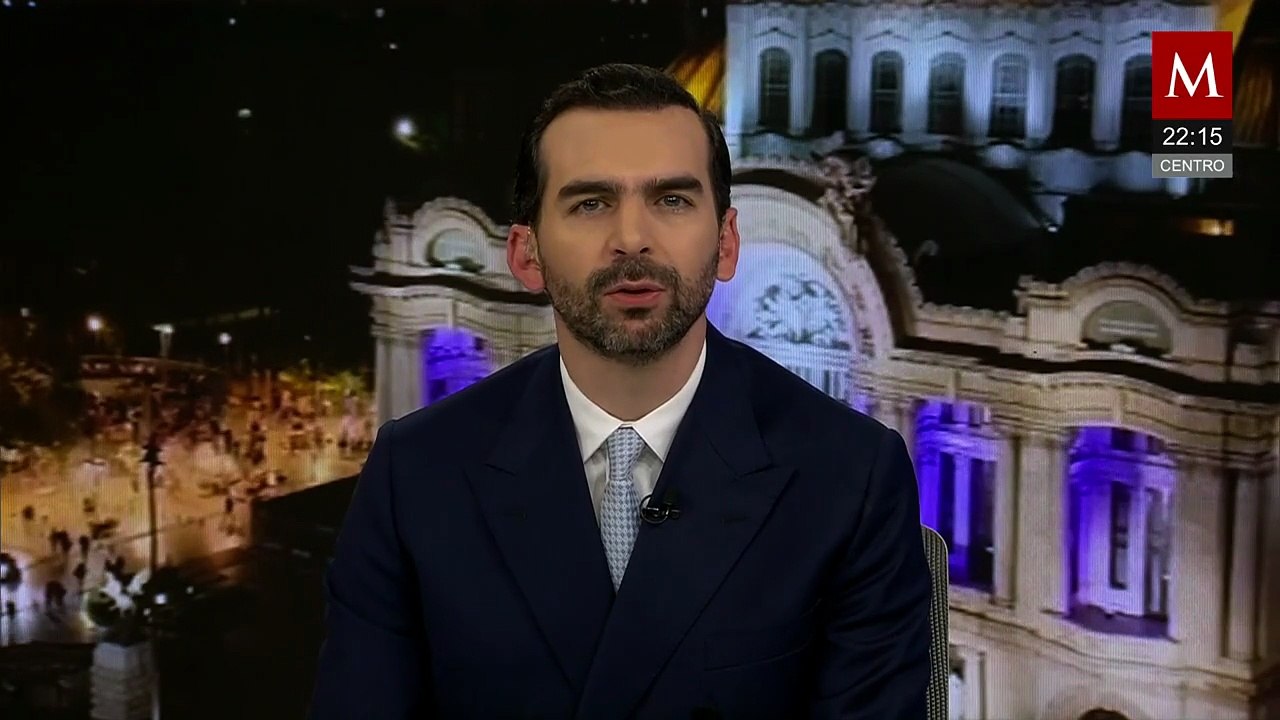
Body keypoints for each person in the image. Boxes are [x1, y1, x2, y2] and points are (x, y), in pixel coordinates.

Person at [310, 63, 931, 719]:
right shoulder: (414, 474)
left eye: (672, 201)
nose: (632, 239)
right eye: (590, 203)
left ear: (727, 243)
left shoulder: (853, 476)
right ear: (526, 255)